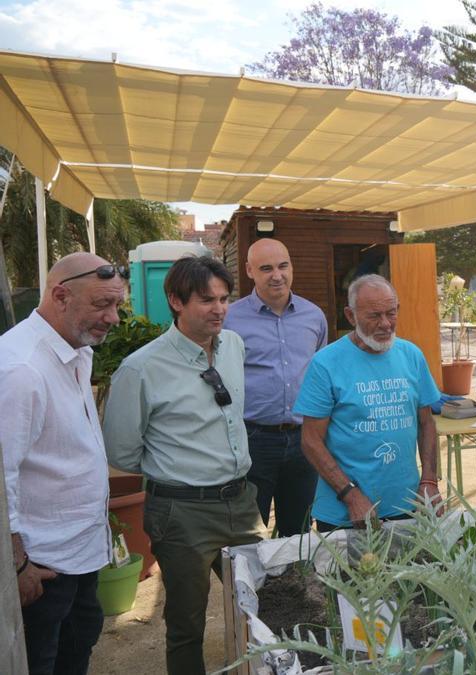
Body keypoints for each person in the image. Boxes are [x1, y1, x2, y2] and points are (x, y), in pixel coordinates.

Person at [104, 255, 262, 675]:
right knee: (188, 622)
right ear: (175, 300)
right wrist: (178, 467)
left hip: (241, 501)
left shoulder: (234, 347)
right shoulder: (140, 369)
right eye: (206, 300)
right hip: (181, 512)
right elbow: (121, 453)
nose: (219, 309)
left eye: (225, 299)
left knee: (262, 606)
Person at [1, 253, 125, 675]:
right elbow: (2, 480)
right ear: (60, 296)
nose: (114, 318)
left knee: (76, 652)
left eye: (117, 306)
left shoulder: (75, 346)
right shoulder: (21, 368)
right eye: (102, 305)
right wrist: (17, 566)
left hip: (79, 556)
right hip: (42, 569)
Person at [294, 274, 440, 531]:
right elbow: (310, 440)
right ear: (351, 316)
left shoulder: (412, 356)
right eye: (374, 316)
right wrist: (350, 495)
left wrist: (429, 481)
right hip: (345, 512)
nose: (385, 324)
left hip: (406, 505)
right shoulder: (326, 363)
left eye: (391, 313)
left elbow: (426, 423)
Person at [225, 238, 327, 536]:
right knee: (249, 531)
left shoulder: (314, 316)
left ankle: (293, 582)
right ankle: (253, 585)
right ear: (249, 271)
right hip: (253, 438)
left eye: (283, 266)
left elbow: (320, 373)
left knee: (298, 530)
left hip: (304, 439)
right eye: (266, 268)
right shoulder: (230, 319)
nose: (277, 275)